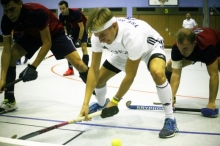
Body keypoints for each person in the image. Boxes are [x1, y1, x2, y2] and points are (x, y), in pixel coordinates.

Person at [78, 8, 178, 138]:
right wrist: (85, 103)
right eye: (97, 36)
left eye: (103, 35)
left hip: (149, 48)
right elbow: (94, 69)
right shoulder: (98, 35)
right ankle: (101, 103)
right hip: (122, 51)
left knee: (158, 73)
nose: (100, 40)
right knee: (99, 80)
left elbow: (130, 75)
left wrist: (115, 100)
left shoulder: (132, 36)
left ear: (114, 26)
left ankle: (170, 118)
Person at [0, 0, 88, 114]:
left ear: (20, 4)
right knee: (11, 57)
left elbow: (47, 43)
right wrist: (2, 79)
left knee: (80, 65)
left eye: (12, 9)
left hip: (55, 34)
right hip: (31, 35)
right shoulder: (6, 19)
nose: (9, 14)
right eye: (6, 11)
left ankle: (98, 92)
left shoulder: (36, 12)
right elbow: (6, 51)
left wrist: (32, 67)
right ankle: (9, 101)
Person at [165, 28, 220, 117]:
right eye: (180, 48)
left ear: (194, 43)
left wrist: (211, 103)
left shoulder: (207, 46)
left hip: (216, 45)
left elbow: (213, 75)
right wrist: (170, 97)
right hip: (194, 53)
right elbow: (176, 74)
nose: (182, 52)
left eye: (185, 48)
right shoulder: (177, 48)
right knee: (170, 65)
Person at [58, 1, 89, 76]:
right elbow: (62, 28)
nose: (62, 10)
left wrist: (79, 39)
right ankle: (70, 69)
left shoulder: (76, 13)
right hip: (73, 29)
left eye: (63, 8)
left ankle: (85, 69)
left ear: (67, 8)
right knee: (69, 50)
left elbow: (81, 27)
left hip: (83, 28)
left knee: (84, 47)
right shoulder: (61, 16)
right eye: (60, 9)